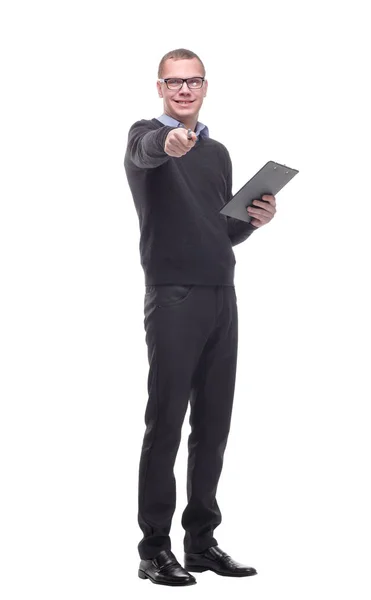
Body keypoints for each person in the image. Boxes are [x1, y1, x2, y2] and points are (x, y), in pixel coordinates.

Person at [124, 48, 276, 586]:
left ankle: (202, 542)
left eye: (193, 82)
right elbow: (146, 151)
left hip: (221, 294)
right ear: (160, 87)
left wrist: (253, 220)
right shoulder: (146, 136)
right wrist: (166, 143)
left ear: (205, 87)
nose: (184, 90)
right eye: (174, 82)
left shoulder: (218, 152)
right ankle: (152, 550)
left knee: (212, 425)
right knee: (165, 422)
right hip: (174, 296)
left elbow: (219, 230)